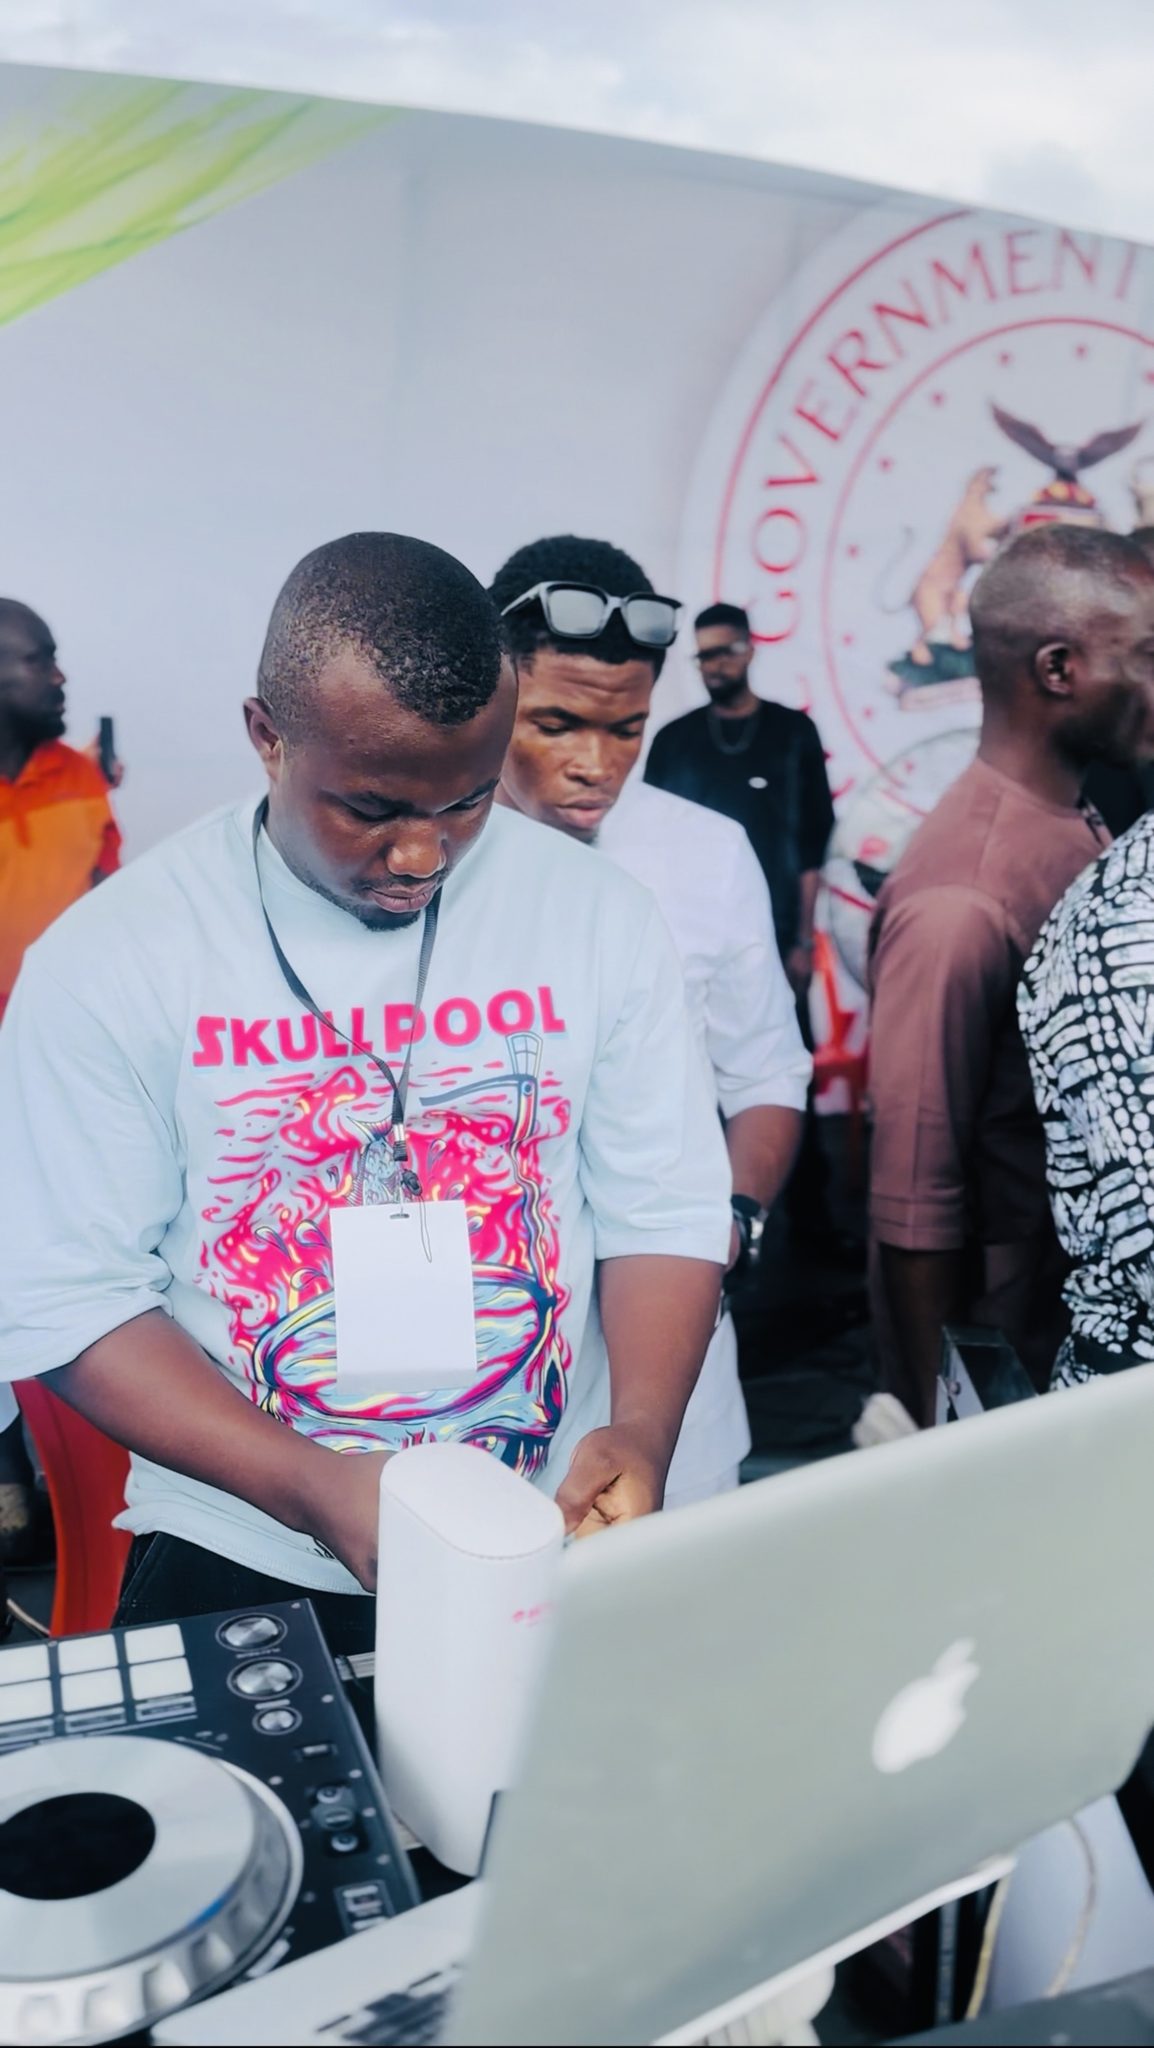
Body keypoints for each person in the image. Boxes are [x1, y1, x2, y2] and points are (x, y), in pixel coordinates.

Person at [0, 534, 730, 1653]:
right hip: (245, 1540)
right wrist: (309, 1485)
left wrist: (639, 1427)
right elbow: (70, 1295)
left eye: (468, 802)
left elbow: (663, 1208)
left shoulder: (596, 915)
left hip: (547, 1535)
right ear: (267, 735)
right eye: (373, 808)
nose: (422, 856)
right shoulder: (114, 959)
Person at [490, 535, 810, 1504]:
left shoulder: (706, 853)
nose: (596, 764)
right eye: (555, 724)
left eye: (626, 729)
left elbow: (765, 1070)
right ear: (488, 691)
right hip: (476, 1377)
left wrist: (734, 1220)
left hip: (673, 1382)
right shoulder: (416, 861)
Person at [869, 525, 1154, 1425]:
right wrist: (940, 1440)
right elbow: (915, 1204)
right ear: (1059, 669)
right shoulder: (960, 897)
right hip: (1023, 1381)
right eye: (1149, 656)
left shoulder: (1070, 819)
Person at [643, 604, 838, 1247]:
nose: (714, 665)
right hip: (687, 943)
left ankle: (806, 1227)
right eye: (704, 655)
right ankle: (704, 1220)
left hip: (777, 937)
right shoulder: (674, 740)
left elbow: (812, 845)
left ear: (750, 650)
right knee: (687, 1077)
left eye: (724, 651)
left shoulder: (791, 732)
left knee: (780, 1072)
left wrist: (803, 940)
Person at [0, 599, 121, 1564]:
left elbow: (108, 915)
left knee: (58, 1282)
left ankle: (58, 1494)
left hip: (55, 1088)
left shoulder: (80, 778)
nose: (59, 677)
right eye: (41, 660)